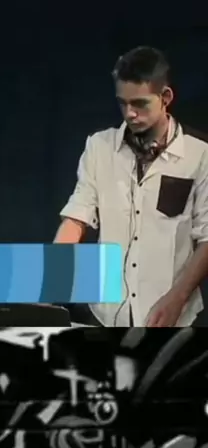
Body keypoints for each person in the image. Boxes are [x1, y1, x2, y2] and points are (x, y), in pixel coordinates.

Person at [55, 46, 208, 328]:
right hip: (104, 316)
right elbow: (76, 217)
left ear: (165, 97)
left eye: (139, 104)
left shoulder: (200, 156)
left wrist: (177, 298)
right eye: (123, 103)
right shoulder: (99, 147)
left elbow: (207, 238)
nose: (130, 114)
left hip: (175, 318)